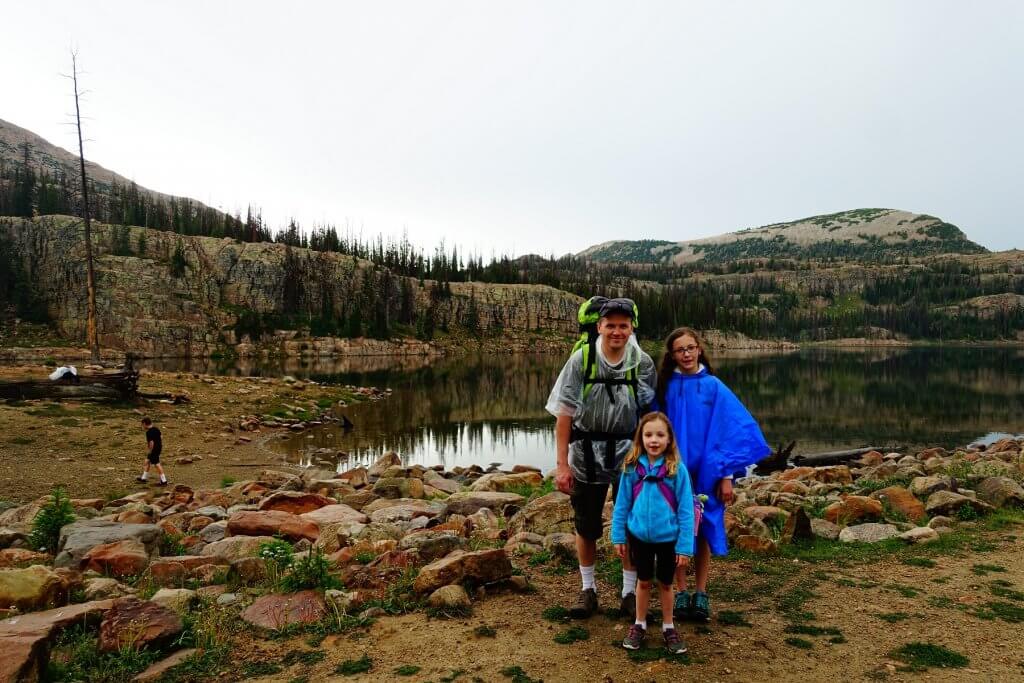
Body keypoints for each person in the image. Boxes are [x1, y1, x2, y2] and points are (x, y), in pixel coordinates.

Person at [545, 297, 655, 619]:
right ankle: (588, 589)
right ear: (599, 327)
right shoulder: (582, 360)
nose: (617, 332)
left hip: (629, 455)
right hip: (585, 453)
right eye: (611, 325)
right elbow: (564, 415)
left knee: (631, 524)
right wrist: (562, 465)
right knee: (586, 524)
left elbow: (650, 416)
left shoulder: (642, 363)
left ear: (631, 327)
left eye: (623, 325)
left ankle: (628, 594)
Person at [653, 327, 770, 623]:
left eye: (691, 348)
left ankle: (701, 592)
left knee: (703, 528)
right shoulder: (664, 388)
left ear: (700, 349)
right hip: (673, 471)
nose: (688, 354)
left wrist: (727, 475)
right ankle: (680, 590)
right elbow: (650, 431)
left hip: (708, 471)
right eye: (681, 350)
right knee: (675, 529)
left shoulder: (714, 386)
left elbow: (728, 431)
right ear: (672, 355)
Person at [611, 412, 694, 653]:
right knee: (644, 581)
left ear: (669, 439)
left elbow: (686, 510)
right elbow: (622, 505)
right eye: (648, 435)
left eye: (660, 435)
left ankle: (669, 627)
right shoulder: (631, 468)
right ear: (640, 438)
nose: (654, 440)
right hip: (639, 538)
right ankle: (639, 624)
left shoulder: (677, 470)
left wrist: (685, 546)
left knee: (666, 584)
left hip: (668, 539)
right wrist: (618, 535)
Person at [137, 417, 169, 486]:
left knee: (157, 464)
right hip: (159, 447)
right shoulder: (156, 429)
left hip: (154, 449)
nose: (142, 426)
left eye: (142, 425)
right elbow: (161, 437)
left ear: (145, 423)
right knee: (147, 461)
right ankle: (143, 478)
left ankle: (164, 481)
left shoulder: (149, 432)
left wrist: (150, 451)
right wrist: (158, 443)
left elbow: (151, 443)